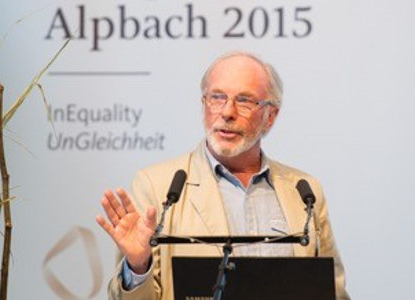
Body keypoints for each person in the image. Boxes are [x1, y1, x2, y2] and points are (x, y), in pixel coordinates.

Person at [95, 52, 350, 300]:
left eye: (244, 101)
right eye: (217, 97)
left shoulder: (304, 192)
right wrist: (138, 267)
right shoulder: (158, 187)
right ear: (203, 103)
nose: (227, 112)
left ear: (270, 116)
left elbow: (332, 292)